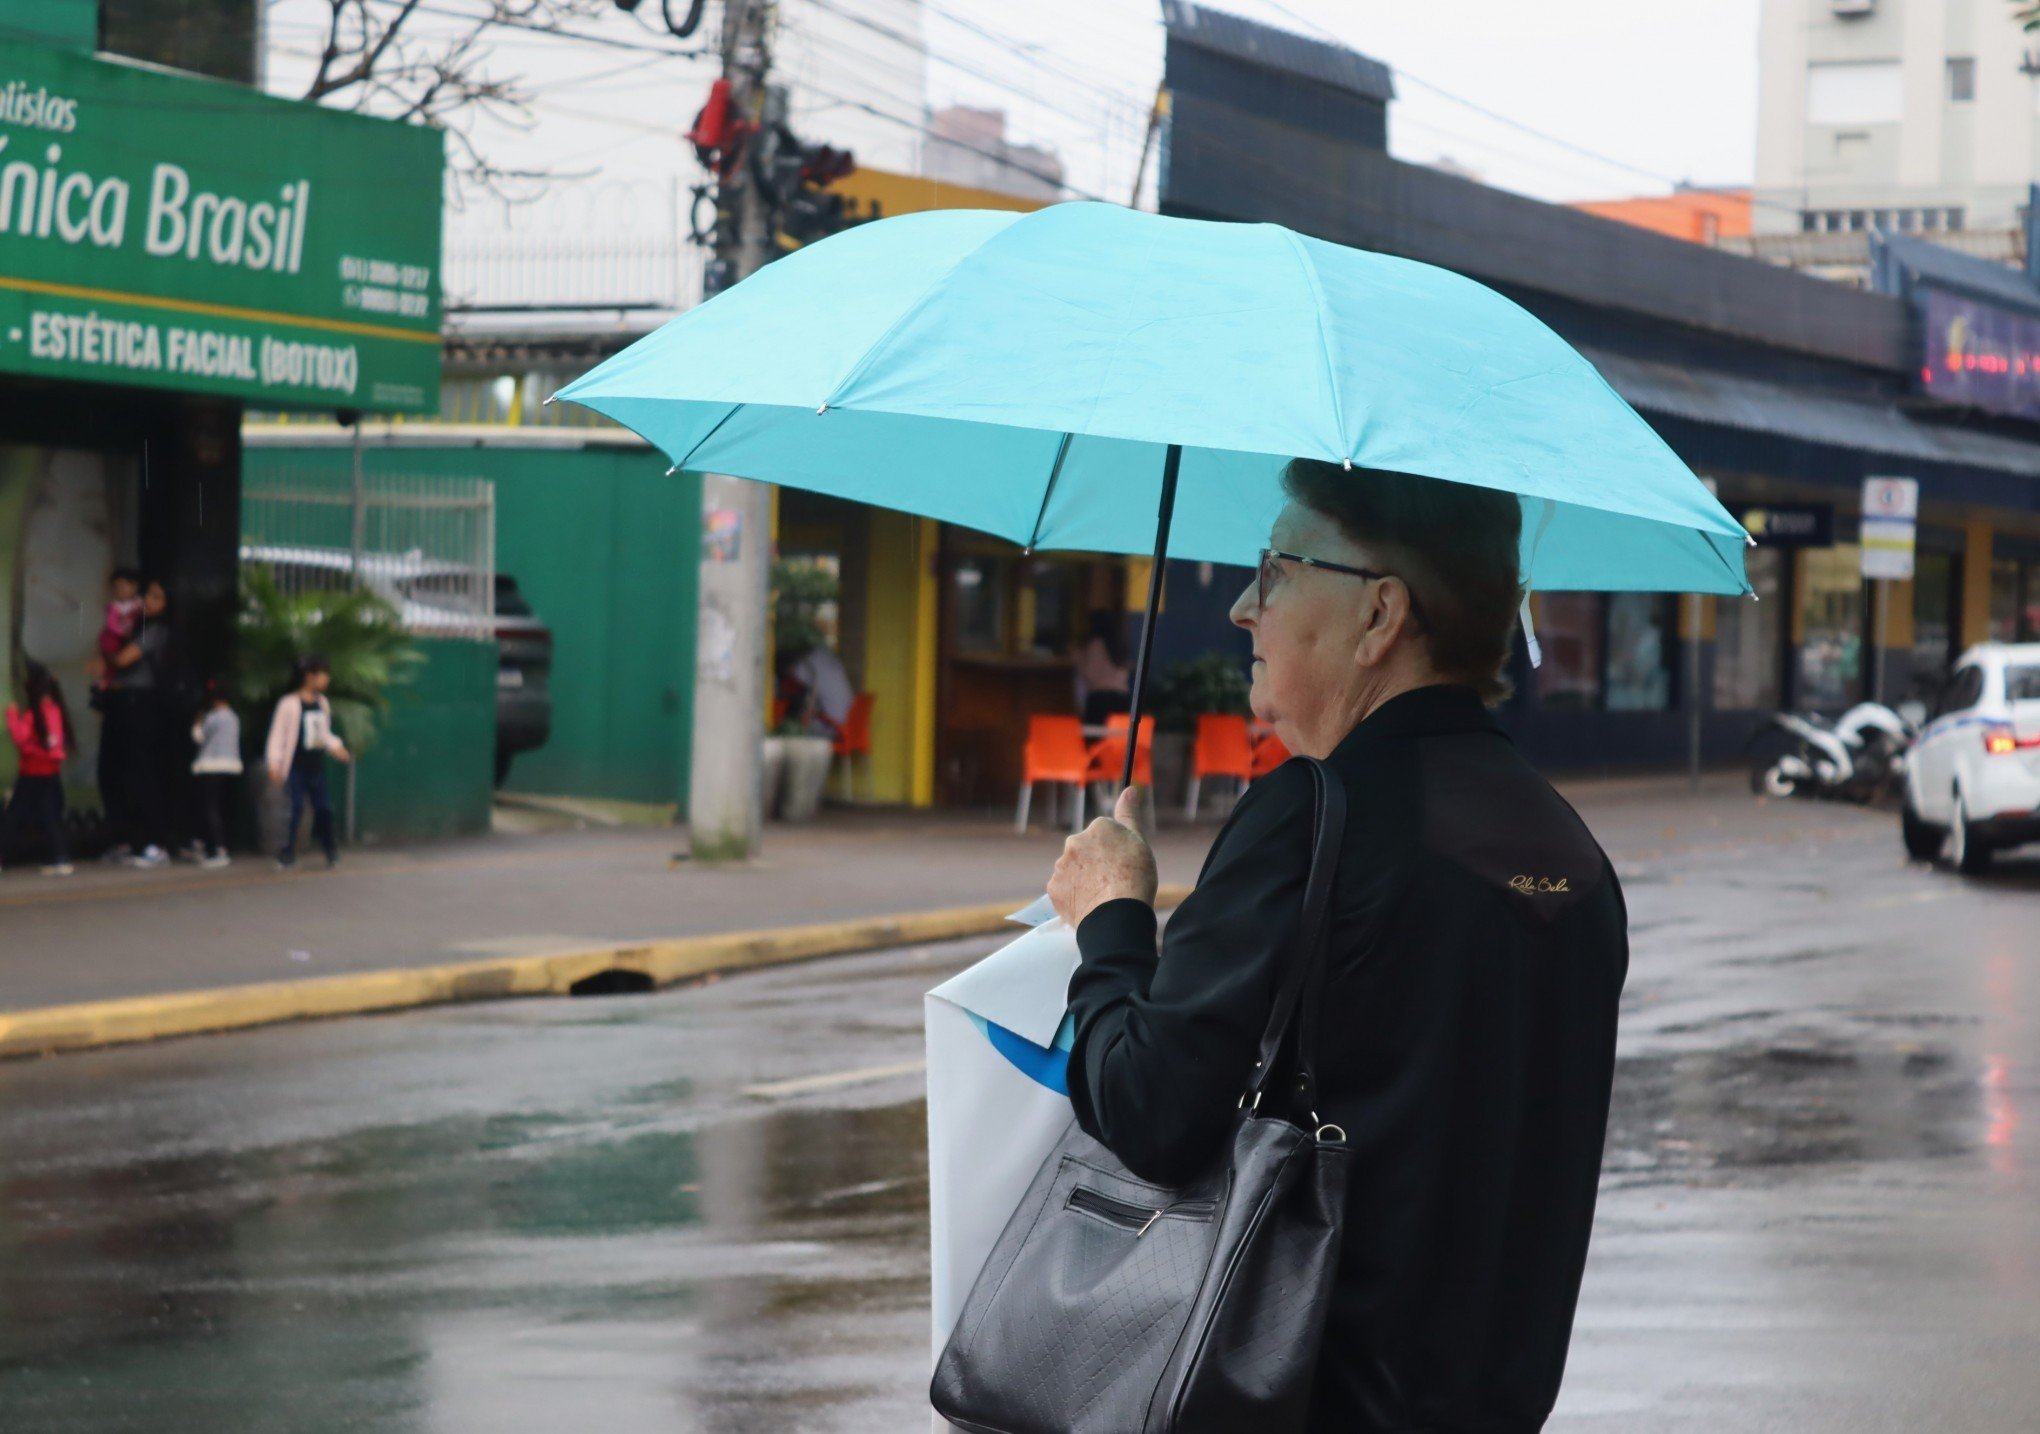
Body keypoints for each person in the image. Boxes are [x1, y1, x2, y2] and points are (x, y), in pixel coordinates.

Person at [1046, 459, 1628, 1433]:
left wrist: (1110, 922)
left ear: (1379, 615)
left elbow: (1152, 1109)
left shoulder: (1313, 821)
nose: (1241, 607)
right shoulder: (1571, 854)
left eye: (1274, 571)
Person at [266, 653, 350, 870]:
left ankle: (331, 851)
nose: (327, 679)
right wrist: (274, 764)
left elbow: (324, 733)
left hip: (316, 767)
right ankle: (287, 853)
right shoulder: (289, 704)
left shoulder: (322, 703)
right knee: (294, 810)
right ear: (309, 676)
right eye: (323, 674)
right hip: (295, 767)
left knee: (324, 809)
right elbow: (277, 736)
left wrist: (336, 747)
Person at [2, 660, 75, 876]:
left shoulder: (33, 715)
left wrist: (12, 717)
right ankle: (61, 858)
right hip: (51, 774)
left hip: (31, 774)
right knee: (51, 817)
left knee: (12, 816)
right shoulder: (56, 711)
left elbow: (21, 738)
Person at [190, 684, 242, 869]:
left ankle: (216, 849)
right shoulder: (234, 717)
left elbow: (199, 737)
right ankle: (225, 846)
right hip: (232, 766)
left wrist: (197, 723)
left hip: (210, 766)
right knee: (224, 808)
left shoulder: (212, 718)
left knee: (210, 808)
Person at [1074, 609, 1131, 725]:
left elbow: (1090, 674)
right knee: (1119, 739)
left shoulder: (1095, 645)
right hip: (1121, 699)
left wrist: (1079, 660)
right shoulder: (1119, 645)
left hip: (1100, 699)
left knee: (1096, 739)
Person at [786, 641, 854, 738]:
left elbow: (794, 673)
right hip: (846, 717)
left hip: (832, 725)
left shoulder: (812, 660)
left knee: (794, 729)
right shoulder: (830, 658)